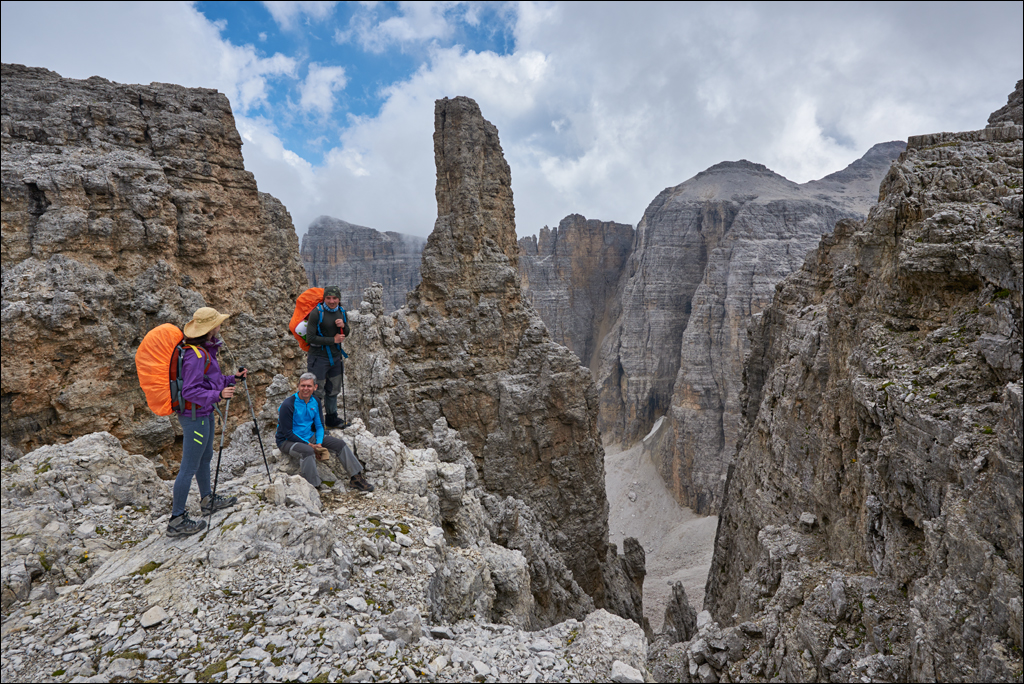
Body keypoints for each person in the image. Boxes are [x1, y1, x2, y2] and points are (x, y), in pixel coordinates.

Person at [167, 307, 245, 537]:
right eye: (218, 324)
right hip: (194, 416)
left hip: (204, 412)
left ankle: (207, 499)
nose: (220, 327)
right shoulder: (195, 355)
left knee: (206, 457)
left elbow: (214, 380)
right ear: (211, 328)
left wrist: (233, 379)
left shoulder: (204, 351)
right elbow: (191, 390)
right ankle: (176, 520)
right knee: (189, 466)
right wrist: (218, 396)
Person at [276, 373, 374, 492]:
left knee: (340, 444)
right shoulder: (288, 404)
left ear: (315, 387)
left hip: (308, 436)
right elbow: (288, 433)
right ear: (298, 386)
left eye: (309, 386)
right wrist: (310, 445)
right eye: (303, 386)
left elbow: (320, 425)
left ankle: (356, 479)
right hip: (287, 441)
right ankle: (313, 487)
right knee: (308, 451)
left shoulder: (315, 401)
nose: (305, 389)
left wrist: (319, 442)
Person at [305, 285, 349, 428]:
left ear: (339, 299)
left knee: (333, 389)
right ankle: (314, 422)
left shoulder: (341, 312)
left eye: (334, 298)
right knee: (317, 390)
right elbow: (310, 338)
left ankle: (332, 418)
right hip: (318, 358)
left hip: (335, 358)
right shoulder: (316, 313)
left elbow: (346, 332)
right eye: (328, 298)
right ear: (324, 298)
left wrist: (344, 326)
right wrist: (333, 340)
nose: (331, 301)